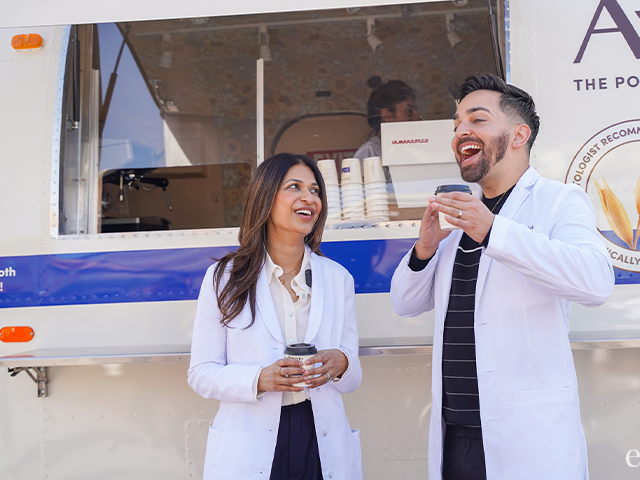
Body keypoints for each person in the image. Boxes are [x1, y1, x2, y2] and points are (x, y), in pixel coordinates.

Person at [390, 73, 615, 480]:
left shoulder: (558, 201)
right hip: (455, 434)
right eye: (457, 124)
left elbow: (596, 282)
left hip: (526, 437)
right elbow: (404, 303)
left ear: (518, 134)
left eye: (477, 120)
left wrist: (493, 231)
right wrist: (424, 250)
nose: (461, 132)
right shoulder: (460, 213)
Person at [188, 153, 362, 480]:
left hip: (320, 436)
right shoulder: (224, 277)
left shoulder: (338, 279)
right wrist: (258, 379)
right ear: (265, 197)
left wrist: (341, 363)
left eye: (315, 190)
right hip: (252, 442)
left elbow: (352, 376)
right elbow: (201, 373)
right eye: (294, 187)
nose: (308, 197)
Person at [354, 78, 421, 184]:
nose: (417, 117)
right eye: (409, 111)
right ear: (387, 115)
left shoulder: (410, 148)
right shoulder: (371, 151)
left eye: (416, 111)